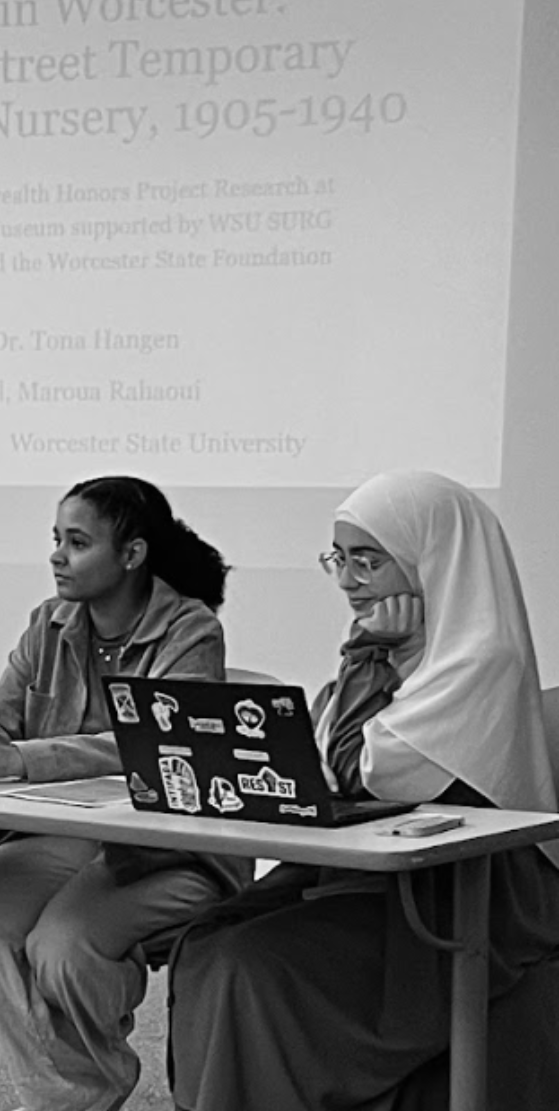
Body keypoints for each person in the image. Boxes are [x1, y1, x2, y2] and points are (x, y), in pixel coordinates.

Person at [167, 469, 559, 1111]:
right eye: (339, 559)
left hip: (462, 894)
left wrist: (362, 659)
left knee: (251, 962)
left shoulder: (479, 660)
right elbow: (320, 756)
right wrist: (371, 661)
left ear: (429, 561)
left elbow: (354, 769)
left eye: (369, 561)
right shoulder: (395, 649)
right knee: (209, 939)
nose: (349, 580)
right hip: (374, 874)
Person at [0, 476, 250, 1111]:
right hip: (64, 839)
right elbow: (2, 713)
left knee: (63, 948)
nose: (58, 556)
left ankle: (65, 1098)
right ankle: (79, 1092)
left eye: (78, 542)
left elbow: (147, 744)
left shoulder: (190, 630)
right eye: (56, 540)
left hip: (168, 850)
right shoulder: (50, 622)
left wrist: (16, 760)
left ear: (132, 555)